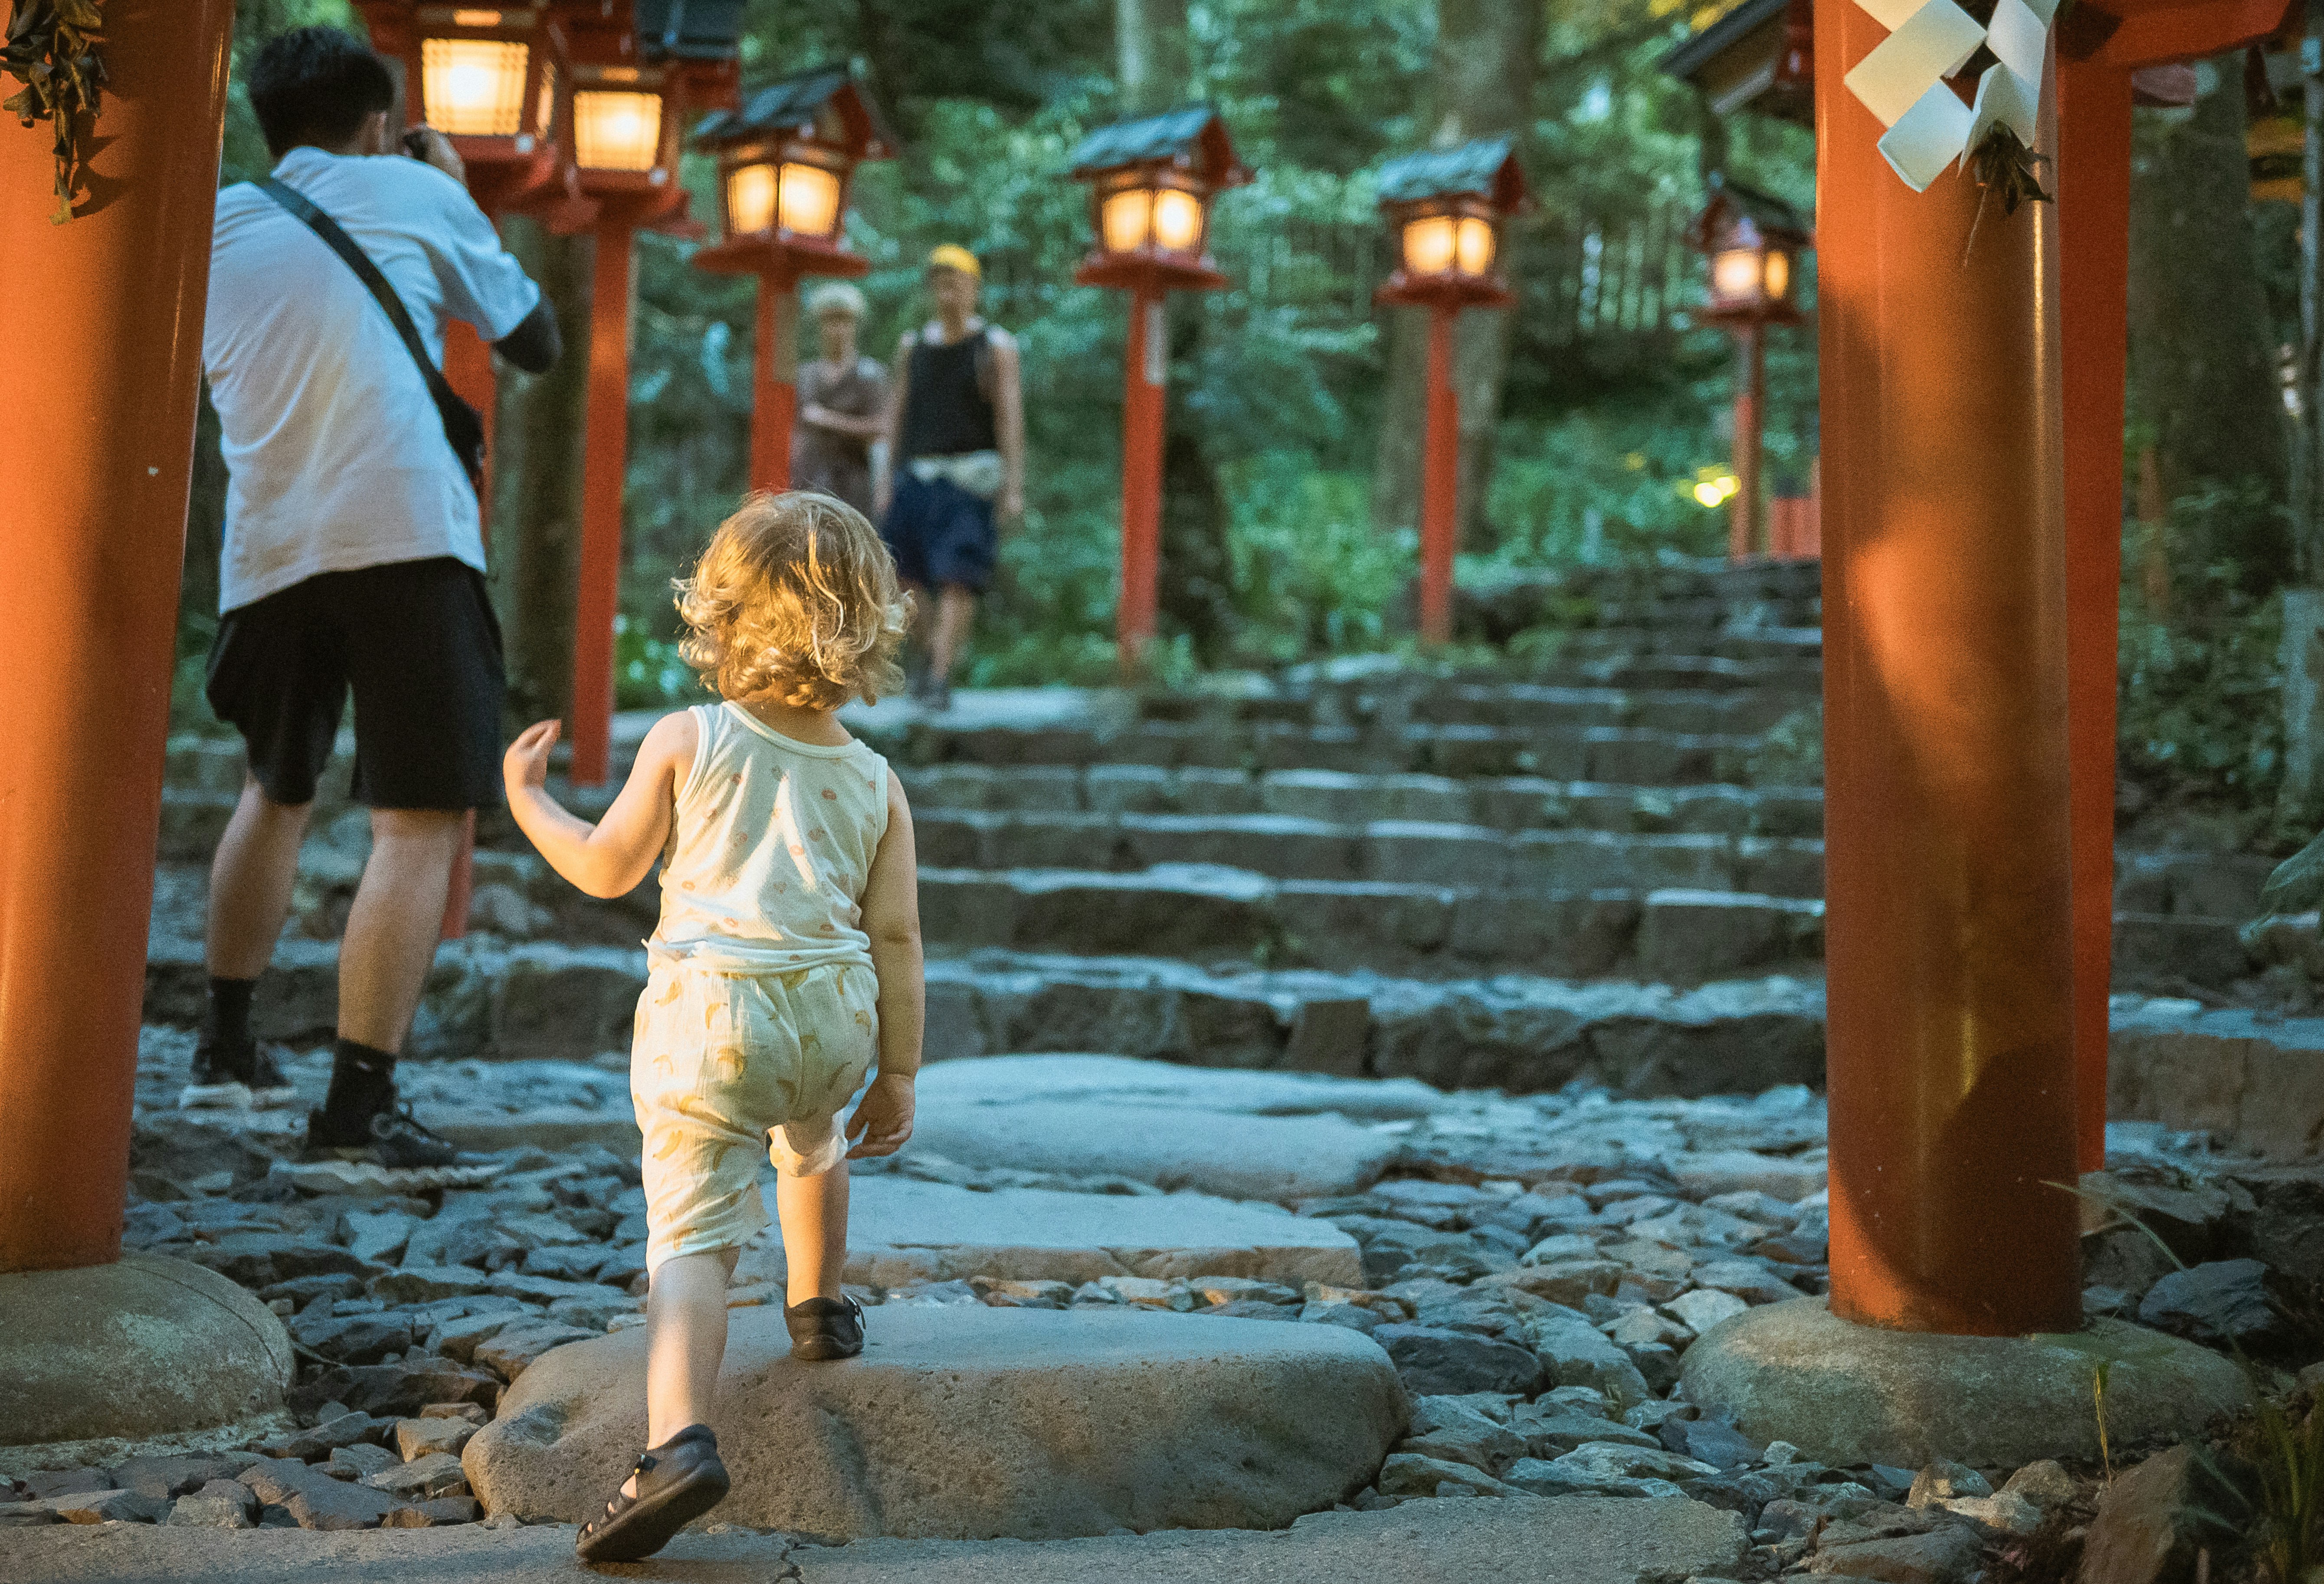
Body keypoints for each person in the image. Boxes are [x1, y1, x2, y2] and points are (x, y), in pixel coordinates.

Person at [500, 491, 925, 1563]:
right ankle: (818, 1303)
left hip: (712, 1013)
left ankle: (676, 1441)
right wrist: (901, 1075)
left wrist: (528, 801)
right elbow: (903, 940)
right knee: (814, 1135)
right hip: (832, 1010)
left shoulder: (691, 738)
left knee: (690, 1235)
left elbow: (605, 866)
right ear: (866, 630)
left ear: (723, 619)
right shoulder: (877, 781)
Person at [191, 26, 561, 1166]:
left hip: (270, 545)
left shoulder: (213, 222)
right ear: (373, 123)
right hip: (404, 532)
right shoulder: (412, 186)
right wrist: (454, 195)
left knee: (276, 785)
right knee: (417, 817)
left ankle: (227, 1041)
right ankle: (357, 1104)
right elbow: (534, 340)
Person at [877, 244, 1025, 712]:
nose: (948, 291)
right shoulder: (913, 346)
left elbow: (1009, 418)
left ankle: (940, 675)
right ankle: (927, 654)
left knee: (959, 577)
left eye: (956, 282)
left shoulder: (994, 347)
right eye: (940, 282)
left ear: (974, 289)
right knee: (903, 575)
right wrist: (884, 478)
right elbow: (895, 416)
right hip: (919, 475)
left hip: (971, 477)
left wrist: (1014, 486)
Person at [791, 282, 888, 517]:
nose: (837, 329)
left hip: (854, 486)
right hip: (810, 482)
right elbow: (793, 433)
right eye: (830, 320)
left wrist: (828, 419)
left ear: (855, 324)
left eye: (844, 320)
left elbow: (881, 428)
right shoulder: (805, 376)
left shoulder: (870, 374)